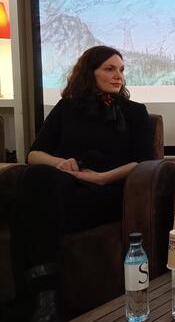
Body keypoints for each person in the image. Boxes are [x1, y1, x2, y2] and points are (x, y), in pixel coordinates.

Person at [10, 46, 152, 322]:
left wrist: (100, 177)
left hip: (107, 191)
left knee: (26, 212)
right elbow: (34, 154)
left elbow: (144, 162)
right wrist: (62, 163)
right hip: (65, 187)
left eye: (121, 70)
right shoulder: (67, 108)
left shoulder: (134, 112)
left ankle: (38, 298)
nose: (118, 76)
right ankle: (47, 297)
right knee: (38, 178)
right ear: (90, 72)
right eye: (109, 69)